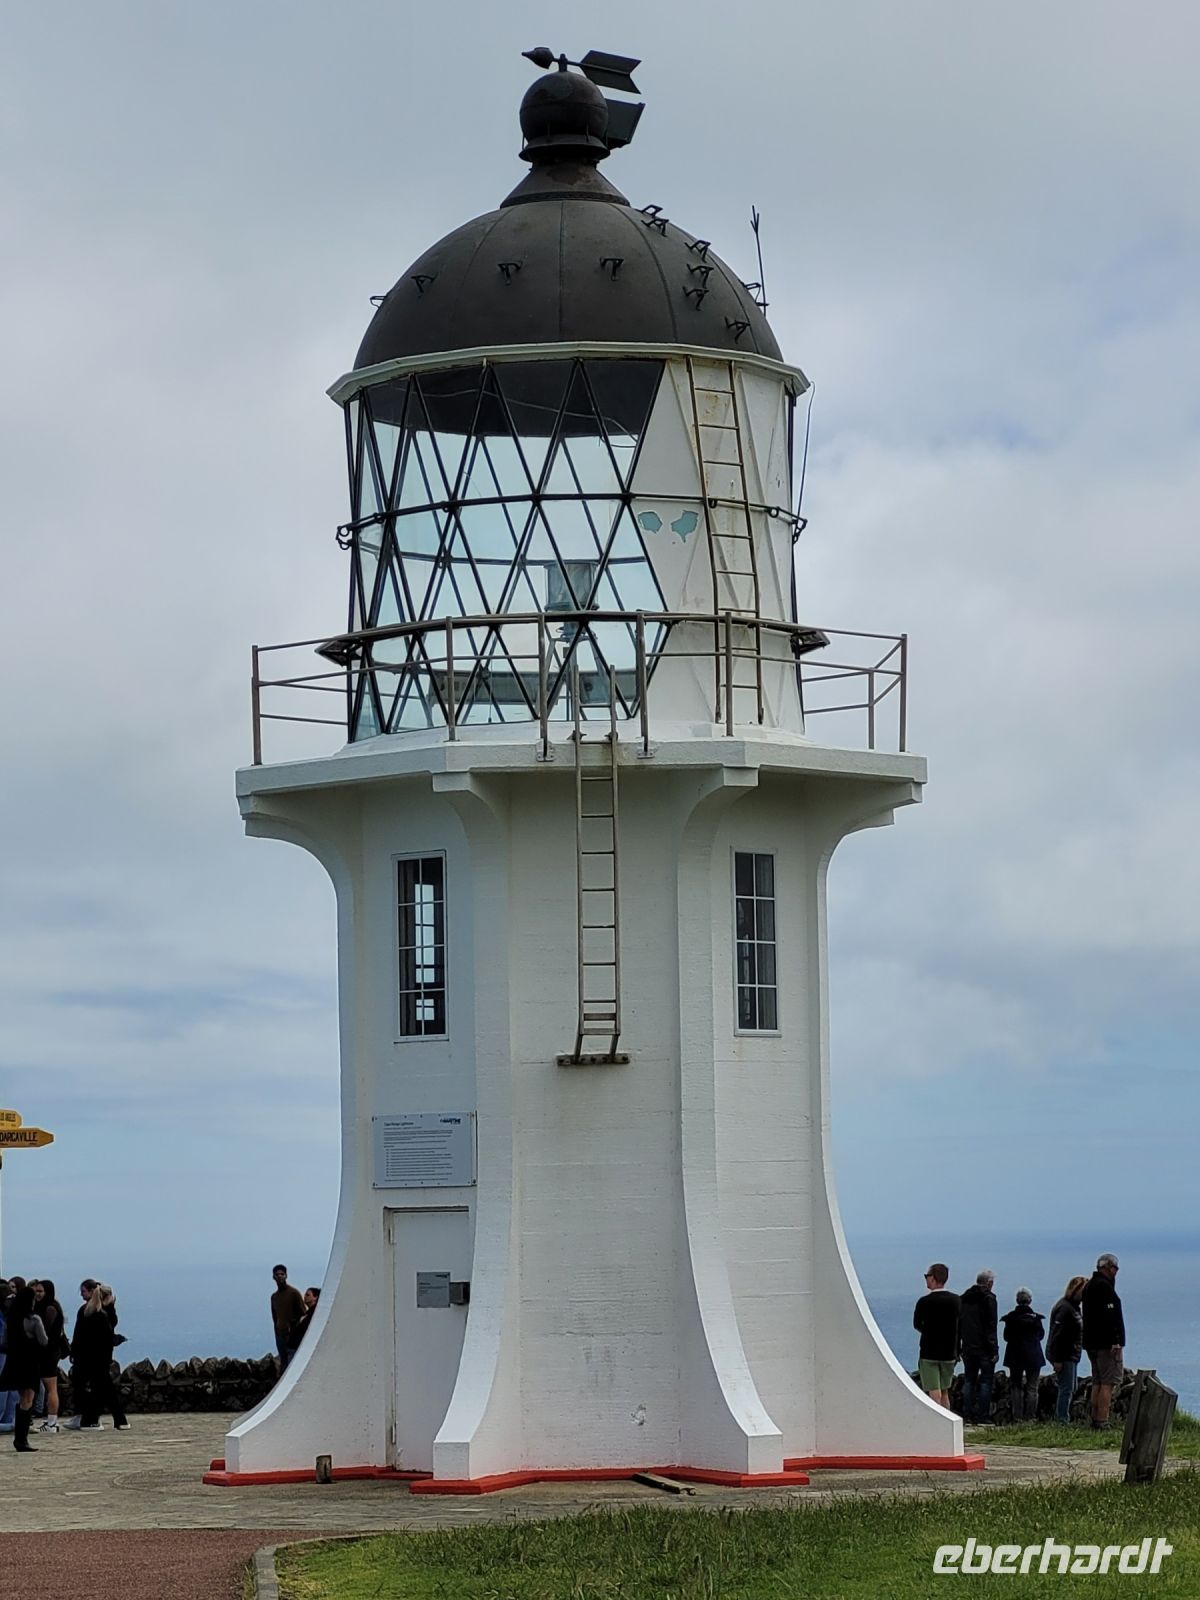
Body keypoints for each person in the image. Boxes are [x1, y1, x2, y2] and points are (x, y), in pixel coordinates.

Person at [70, 1282, 129, 1430]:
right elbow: (106, 1335)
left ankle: (92, 1420)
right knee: (103, 1389)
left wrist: (74, 1351)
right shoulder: (101, 1314)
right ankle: (109, 1419)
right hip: (98, 1358)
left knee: (100, 1388)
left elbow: (79, 1335)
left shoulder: (88, 1311)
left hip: (88, 1357)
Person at [1082, 1252, 1125, 1430]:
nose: (1116, 1272)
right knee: (1108, 1382)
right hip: (1106, 1344)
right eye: (1115, 1268)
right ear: (1108, 1268)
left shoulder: (1089, 1286)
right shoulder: (1105, 1288)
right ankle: (1102, 1420)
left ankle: (1094, 1418)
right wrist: (1116, 1340)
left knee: (1098, 1381)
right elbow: (1110, 1316)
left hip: (1091, 1342)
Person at [3, 1284, 48, 1452]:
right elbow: (43, 1341)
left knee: (22, 1397)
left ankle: (20, 1437)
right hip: (29, 1362)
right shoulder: (33, 1319)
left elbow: (4, 1342)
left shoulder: (11, 1319)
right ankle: (21, 1439)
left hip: (14, 1361)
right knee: (28, 1399)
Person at [913, 1263, 959, 1408]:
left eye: (927, 1276)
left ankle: (938, 1422)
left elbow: (917, 1324)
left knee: (934, 1390)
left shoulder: (924, 1302)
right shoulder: (956, 1300)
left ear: (933, 1278)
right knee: (945, 1390)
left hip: (929, 1351)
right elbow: (960, 1324)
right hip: (949, 1352)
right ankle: (948, 1422)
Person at [958, 1269, 999, 1424]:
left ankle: (967, 1414)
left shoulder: (964, 1298)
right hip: (984, 1348)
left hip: (968, 1347)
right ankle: (983, 1415)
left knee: (969, 1380)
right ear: (989, 1283)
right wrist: (994, 1349)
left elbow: (960, 1324)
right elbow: (991, 1326)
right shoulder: (989, 1299)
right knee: (985, 1382)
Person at [1046, 1275, 1087, 1423]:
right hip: (1064, 1354)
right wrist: (1057, 1359)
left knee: (1072, 1387)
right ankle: (1062, 1419)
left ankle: (1063, 1417)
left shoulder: (1075, 1308)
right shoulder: (1065, 1308)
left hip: (1072, 1353)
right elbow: (1058, 1335)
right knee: (1066, 1388)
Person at [1001, 1288, 1045, 1423]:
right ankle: (1030, 1416)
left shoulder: (1010, 1318)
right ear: (1030, 1301)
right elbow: (1041, 1336)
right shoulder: (1035, 1318)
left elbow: (1006, 1336)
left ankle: (1017, 1416)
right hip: (1033, 1355)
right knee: (1032, 1387)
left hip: (1014, 1355)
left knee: (1016, 1386)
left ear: (1017, 1301)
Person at [31, 1279, 68, 1433]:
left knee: (50, 1387)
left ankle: (52, 1422)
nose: (37, 1294)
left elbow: (46, 1332)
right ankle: (50, 1421)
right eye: (36, 1291)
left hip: (48, 1353)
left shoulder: (50, 1309)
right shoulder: (45, 1307)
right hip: (48, 1352)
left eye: (40, 1291)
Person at [271, 1264, 306, 1370]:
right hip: (279, 1335)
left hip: (291, 1335)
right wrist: (277, 1330)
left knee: (292, 1363)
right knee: (283, 1362)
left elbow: (303, 1313)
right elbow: (275, 1316)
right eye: (277, 1274)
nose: (280, 1276)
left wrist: (294, 1328)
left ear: (286, 1276)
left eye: (282, 1274)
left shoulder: (294, 1293)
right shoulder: (274, 1297)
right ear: (274, 1277)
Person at [0, 1279, 19, 1433]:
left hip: (2, 1349)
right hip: (12, 1349)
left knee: (3, 1386)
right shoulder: (13, 1307)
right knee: (12, 1387)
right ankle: (10, 1419)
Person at [287, 1286, 321, 1357]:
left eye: (308, 1295)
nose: (305, 1297)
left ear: (315, 1297)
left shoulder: (314, 1314)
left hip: (298, 1347)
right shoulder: (308, 1313)